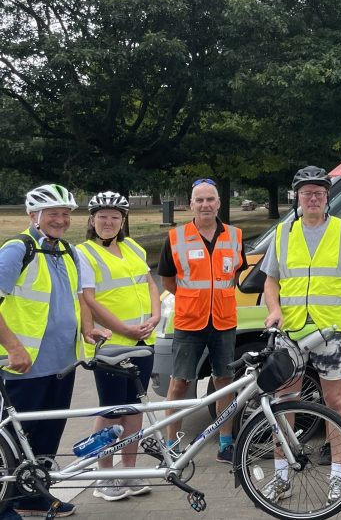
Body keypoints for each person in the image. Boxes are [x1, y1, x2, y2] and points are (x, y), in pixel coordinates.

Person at [262, 166, 341, 503]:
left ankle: (337, 475)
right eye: (307, 192)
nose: (313, 198)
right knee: (284, 401)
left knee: (335, 401)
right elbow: (271, 280)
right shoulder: (283, 233)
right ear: (298, 196)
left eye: (319, 193)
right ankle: (282, 476)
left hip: (330, 330)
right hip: (291, 330)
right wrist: (274, 309)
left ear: (327, 198)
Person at [0, 184, 109, 518]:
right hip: (24, 364)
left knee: (48, 434)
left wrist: (87, 329)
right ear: (34, 216)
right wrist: (14, 347)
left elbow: (77, 298)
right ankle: (5, 503)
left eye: (65, 214)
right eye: (53, 214)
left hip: (62, 361)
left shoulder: (67, 250)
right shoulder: (17, 249)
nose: (61, 220)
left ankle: (33, 495)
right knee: (15, 439)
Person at [77, 192, 161, 502]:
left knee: (134, 408)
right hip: (112, 344)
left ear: (123, 220)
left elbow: (150, 282)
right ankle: (103, 476)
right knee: (111, 411)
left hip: (142, 340)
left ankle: (128, 471)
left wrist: (157, 314)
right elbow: (88, 298)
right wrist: (123, 328)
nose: (108, 222)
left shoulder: (133, 247)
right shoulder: (84, 253)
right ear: (92, 220)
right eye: (102, 216)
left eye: (115, 217)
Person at [159, 178, 245, 463]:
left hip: (223, 321)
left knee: (225, 382)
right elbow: (168, 281)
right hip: (188, 322)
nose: (205, 204)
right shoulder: (176, 237)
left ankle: (225, 443)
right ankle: (171, 445)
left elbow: (234, 275)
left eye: (210, 199)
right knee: (179, 383)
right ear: (190, 204)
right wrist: (193, 299)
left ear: (218, 203)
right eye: (200, 200)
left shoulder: (235, 235)